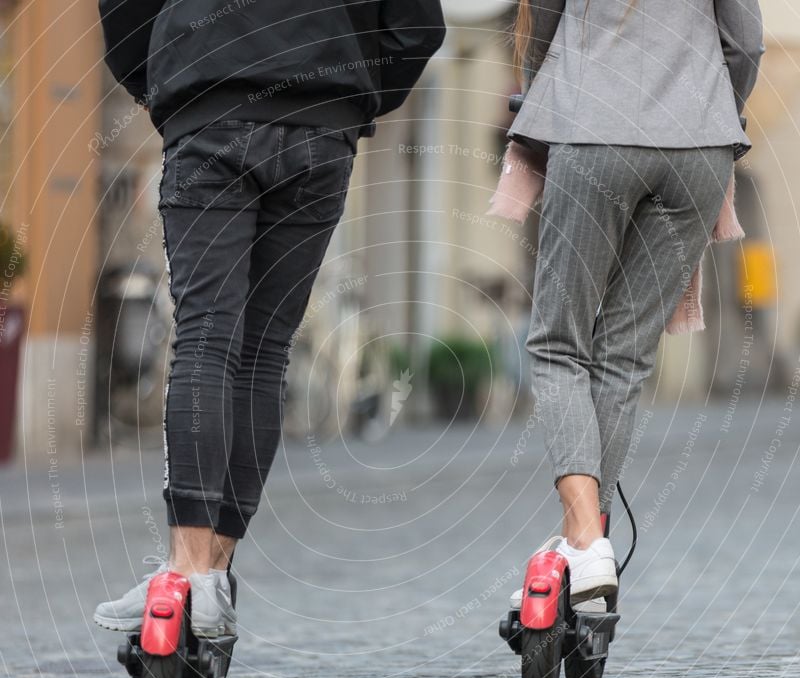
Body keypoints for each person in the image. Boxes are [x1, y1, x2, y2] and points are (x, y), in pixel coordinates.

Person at [94, 1, 446, 636]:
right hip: (322, 123)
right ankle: (213, 574)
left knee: (206, 337)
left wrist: (167, 80)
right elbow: (418, 25)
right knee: (262, 353)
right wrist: (350, 96)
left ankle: (188, 574)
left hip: (211, 106)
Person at [502, 0, 763, 605]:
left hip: (591, 130)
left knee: (558, 343)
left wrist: (544, 95)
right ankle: (585, 543)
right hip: (700, 145)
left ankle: (586, 539)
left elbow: (540, 28)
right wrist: (714, 109)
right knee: (623, 355)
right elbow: (745, 45)